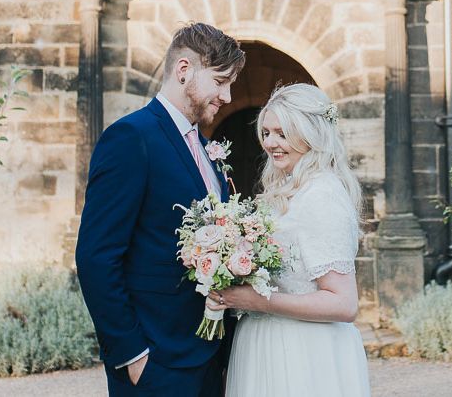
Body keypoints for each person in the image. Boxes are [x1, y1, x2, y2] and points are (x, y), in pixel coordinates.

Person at [75, 23, 245, 396]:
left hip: (210, 356)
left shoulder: (207, 149)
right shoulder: (131, 138)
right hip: (157, 362)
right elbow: (96, 256)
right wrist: (132, 355)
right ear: (184, 70)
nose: (228, 96)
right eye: (220, 81)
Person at [207, 83, 371, 397]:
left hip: (304, 353)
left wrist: (256, 301)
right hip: (262, 343)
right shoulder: (285, 190)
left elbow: (343, 302)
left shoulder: (322, 194)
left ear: (310, 134)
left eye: (282, 134)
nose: (270, 143)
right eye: (266, 133)